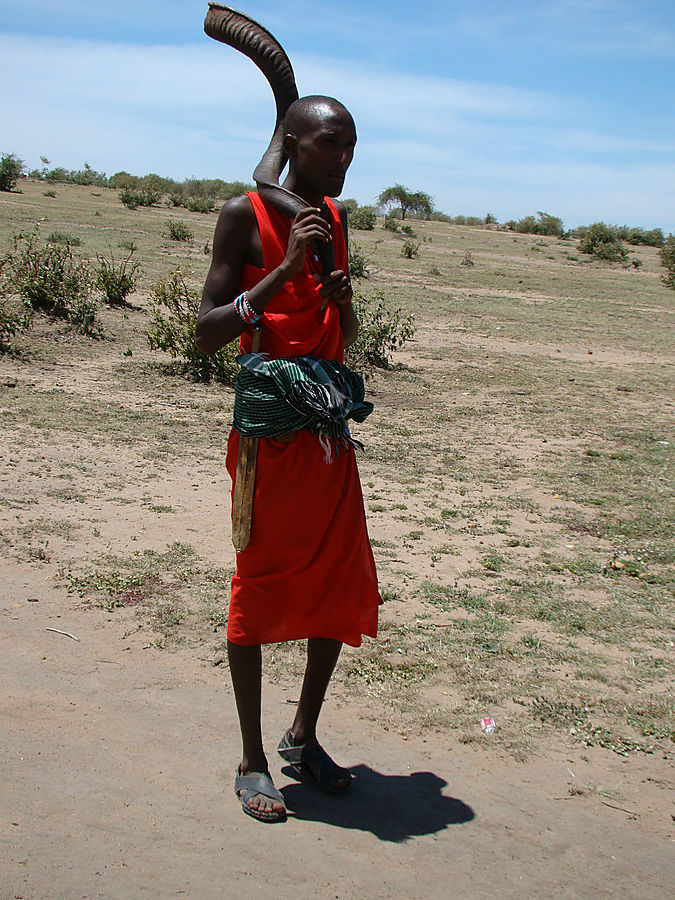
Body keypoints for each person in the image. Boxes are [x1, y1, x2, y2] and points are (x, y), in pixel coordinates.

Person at [195, 96, 381, 823]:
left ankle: (302, 737)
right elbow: (206, 333)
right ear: (292, 144)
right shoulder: (245, 214)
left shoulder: (334, 219)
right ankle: (251, 759)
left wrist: (342, 298)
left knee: (339, 579)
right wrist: (282, 271)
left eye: (352, 147)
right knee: (263, 582)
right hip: (267, 448)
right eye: (331, 145)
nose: (343, 160)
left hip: (328, 439)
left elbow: (345, 332)